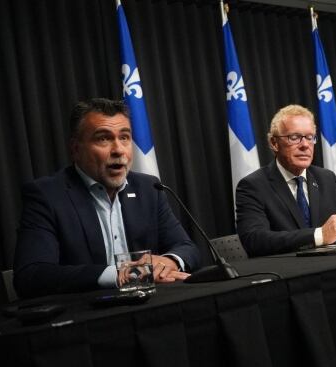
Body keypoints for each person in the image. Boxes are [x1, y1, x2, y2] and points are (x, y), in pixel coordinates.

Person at [13, 98, 200, 298]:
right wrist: (121, 274)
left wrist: (168, 261)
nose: (118, 150)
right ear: (76, 149)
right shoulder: (47, 195)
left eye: (125, 137)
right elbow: (31, 275)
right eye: (103, 138)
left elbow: (187, 247)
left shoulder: (148, 188)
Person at [235, 104, 336, 257]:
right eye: (294, 137)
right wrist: (319, 235)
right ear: (274, 143)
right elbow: (254, 240)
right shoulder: (253, 185)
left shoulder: (326, 178)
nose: (305, 145)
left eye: (310, 137)